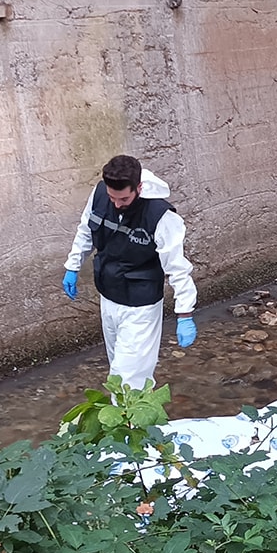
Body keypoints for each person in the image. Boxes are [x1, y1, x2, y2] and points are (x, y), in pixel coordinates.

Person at [62, 155, 198, 391]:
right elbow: (86, 229)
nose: (116, 204)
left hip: (140, 307)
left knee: (128, 382)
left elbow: (177, 268)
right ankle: (135, 425)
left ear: (139, 188)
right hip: (109, 299)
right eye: (112, 197)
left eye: (123, 198)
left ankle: (130, 426)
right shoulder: (101, 194)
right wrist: (73, 266)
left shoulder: (161, 217)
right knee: (117, 374)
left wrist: (184, 313)